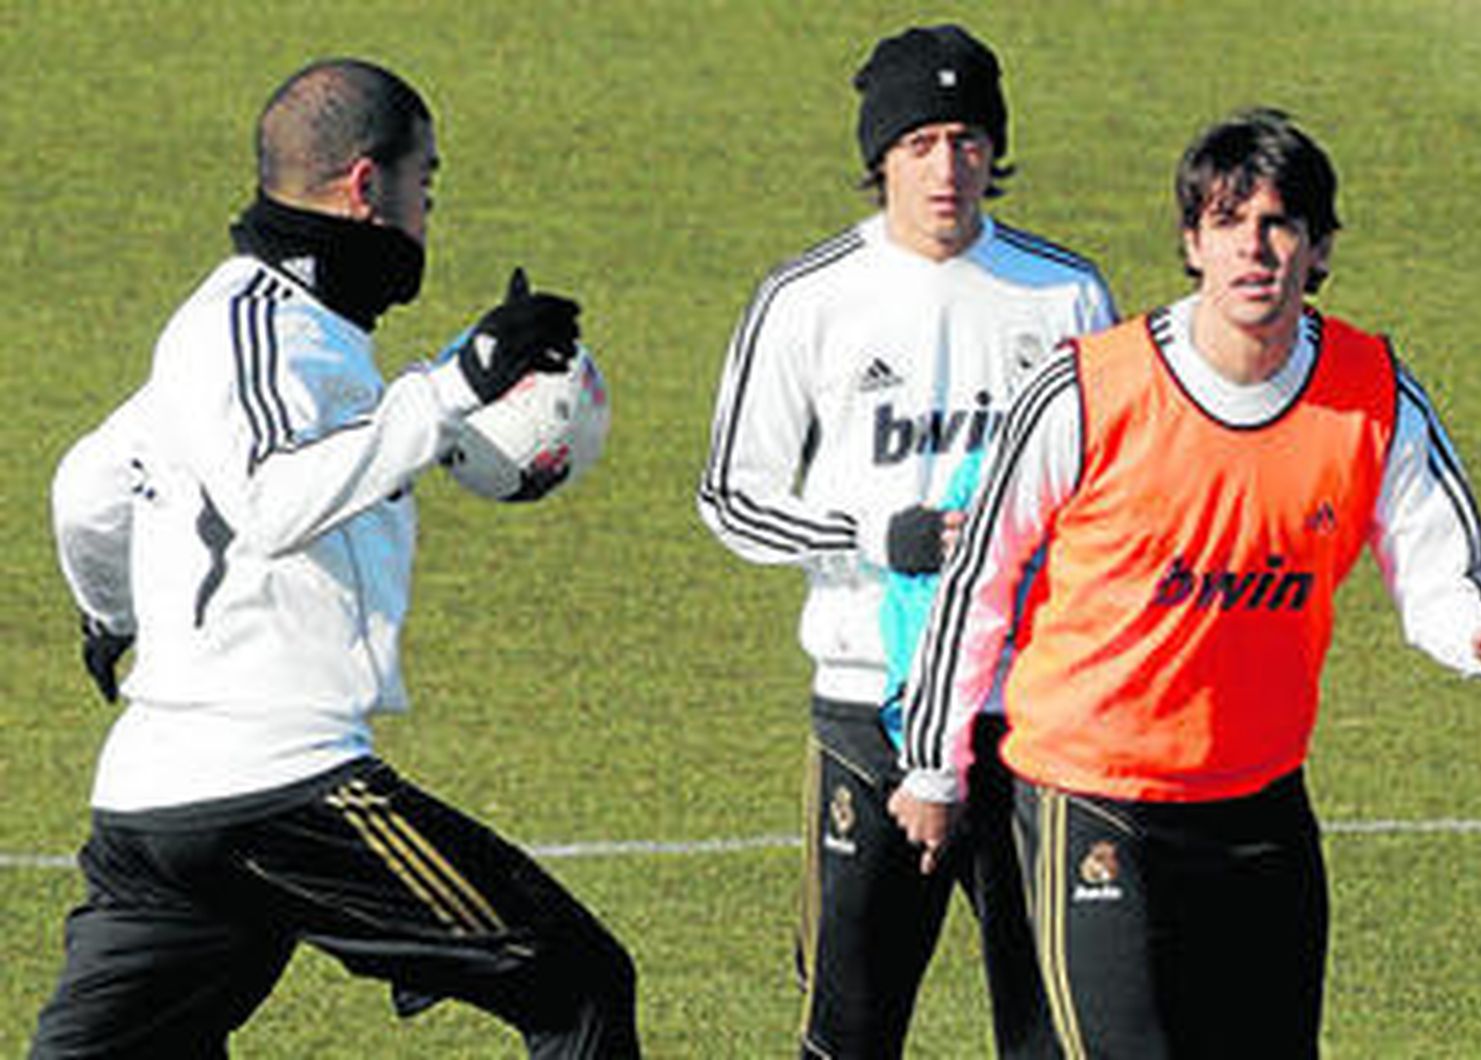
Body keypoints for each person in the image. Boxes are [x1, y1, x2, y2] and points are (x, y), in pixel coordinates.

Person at [890, 108, 1481, 1057]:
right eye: (1228, 221)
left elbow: (1438, 565)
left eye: (1279, 224)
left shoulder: (1372, 393)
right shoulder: (1088, 389)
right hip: (1094, 794)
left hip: (1259, 803)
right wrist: (933, 764)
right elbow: (978, 581)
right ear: (1193, 243)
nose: (1254, 248)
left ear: (1320, 249)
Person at [33, 58, 640, 1058]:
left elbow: (86, 489)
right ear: (367, 186)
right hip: (276, 786)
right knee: (578, 985)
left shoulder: (278, 330)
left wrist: (111, 615)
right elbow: (271, 502)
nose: (427, 215)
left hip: (157, 803)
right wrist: (452, 386)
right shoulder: (250, 323)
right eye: (425, 185)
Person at [697, 24, 1116, 1059]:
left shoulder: (1067, 293)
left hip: (1028, 709)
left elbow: (1106, 489)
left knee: (1054, 1031)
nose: (947, 167)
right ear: (880, 154)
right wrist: (879, 537)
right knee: (849, 1027)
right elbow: (732, 497)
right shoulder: (808, 298)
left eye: (967, 140)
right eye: (921, 142)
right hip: (867, 704)